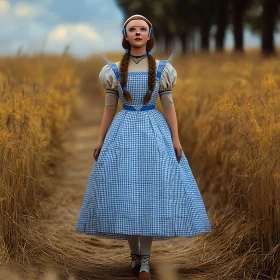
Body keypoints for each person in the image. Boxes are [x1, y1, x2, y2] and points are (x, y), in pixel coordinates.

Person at [76, 14, 212, 280]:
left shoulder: (161, 69)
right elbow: (109, 108)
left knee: (149, 193)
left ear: (149, 36)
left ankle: (146, 260)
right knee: (126, 191)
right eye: (132, 29)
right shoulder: (114, 70)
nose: (137, 33)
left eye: (142, 29)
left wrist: (176, 138)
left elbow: (169, 107)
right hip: (123, 131)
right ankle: (134, 254)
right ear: (125, 36)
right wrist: (101, 139)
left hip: (153, 132)